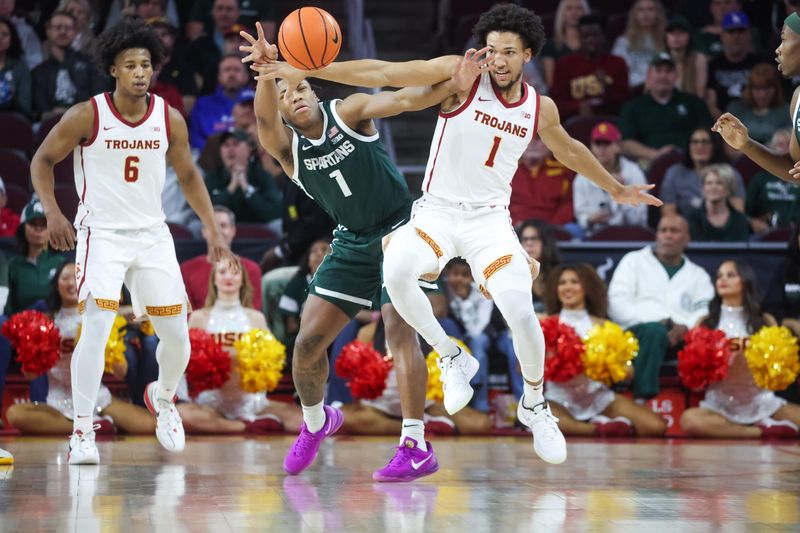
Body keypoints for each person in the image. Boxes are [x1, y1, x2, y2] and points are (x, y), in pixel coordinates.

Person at [258, 3, 662, 467]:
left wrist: (617, 188)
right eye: (491, 50)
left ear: (527, 54)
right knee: (387, 281)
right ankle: (449, 358)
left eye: (508, 52)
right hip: (432, 212)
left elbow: (568, 149)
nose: (497, 60)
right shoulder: (462, 74)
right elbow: (386, 71)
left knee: (519, 311)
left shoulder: (539, 107)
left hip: (488, 220)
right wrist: (305, 66)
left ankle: (532, 404)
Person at [242, 21, 486, 480]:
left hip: (403, 228)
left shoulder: (348, 111)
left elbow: (405, 98)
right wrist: (264, 73)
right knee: (307, 345)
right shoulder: (287, 149)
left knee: (399, 330)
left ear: (316, 93)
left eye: (303, 87)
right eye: (286, 94)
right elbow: (261, 120)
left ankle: (415, 444)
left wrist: (451, 85)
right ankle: (316, 423)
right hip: (351, 240)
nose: (296, 95)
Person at [29, 18, 235, 465]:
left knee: (177, 336)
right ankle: (82, 431)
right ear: (114, 70)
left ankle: (162, 398)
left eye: (146, 63)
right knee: (97, 330)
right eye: (131, 65)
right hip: (100, 235)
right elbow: (42, 160)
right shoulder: (87, 114)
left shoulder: (170, 118)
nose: (141, 72)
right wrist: (54, 211)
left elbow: (189, 175)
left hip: (152, 236)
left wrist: (212, 230)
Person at [6, 262, 157, 435]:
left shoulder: (99, 319)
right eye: (65, 278)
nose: (71, 283)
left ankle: (90, 425)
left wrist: (109, 350)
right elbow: (31, 375)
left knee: (150, 425)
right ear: (56, 284)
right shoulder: (44, 321)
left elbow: (120, 372)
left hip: (97, 399)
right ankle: (96, 426)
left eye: (76, 278)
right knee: (14, 414)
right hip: (58, 402)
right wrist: (33, 357)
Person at [177, 257, 302, 434]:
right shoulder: (199, 317)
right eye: (222, 272)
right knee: (183, 416)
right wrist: (182, 397)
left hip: (251, 401)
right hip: (210, 403)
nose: (229, 277)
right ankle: (247, 426)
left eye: (235, 272)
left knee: (301, 421)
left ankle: (235, 424)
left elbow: (271, 364)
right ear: (214, 279)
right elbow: (184, 363)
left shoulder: (256, 318)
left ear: (242, 279)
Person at [543, 263, 667, 437]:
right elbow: (521, 368)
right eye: (562, 283)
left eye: (574, 282)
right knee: (545, 420)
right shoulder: (544, 324)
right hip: (558, 399)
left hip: (599, 399)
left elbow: (628, 370)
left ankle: (595, 424)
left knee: (656, 427)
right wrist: (551, 363)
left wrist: (609, 369)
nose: (567, 287)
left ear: (586, 287)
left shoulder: (605, 326)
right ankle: (599, 429)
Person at [681, 260, 800, 439]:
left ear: (745, 281)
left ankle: (760, 424)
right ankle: (761, 432)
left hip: (763, 402)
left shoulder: (765, 321)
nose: (723, 280)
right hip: (719, 406)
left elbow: (776, 377)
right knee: (689, 420)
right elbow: (695, 383)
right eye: (719, 276)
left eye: (730, 275)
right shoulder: (705, 322)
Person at [608, 214, 714, 399]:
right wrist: (655, 323)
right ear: (656, 236)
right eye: (663, 230)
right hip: (637, 333)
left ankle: (705, 400)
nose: (668, 235)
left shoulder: (698, 275)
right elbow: (616, 303)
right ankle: (644, 397)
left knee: (709, 337)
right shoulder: (633, 261)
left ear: (687, 239)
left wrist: (686, 328)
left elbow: (704, 311)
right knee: (655, 331)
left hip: (682, 336)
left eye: (674, 231)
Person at [712, 12, 800, 183]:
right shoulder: (797, 98)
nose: (778, 49)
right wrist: (746, 145)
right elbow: (794, 169)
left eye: (784, 39)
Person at [618, 52, 713, 164]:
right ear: (649, 76)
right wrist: (656, 155)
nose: (663, 76)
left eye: (668, 71)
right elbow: (626, 143)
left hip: (690, 160)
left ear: (676, 76)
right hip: (649, 161)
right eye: (658, 71)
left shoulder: (693, 103)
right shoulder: (633, 107)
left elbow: (709, 135)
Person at [180, 205, 262, 311]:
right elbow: (187, 315)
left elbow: (253, 312)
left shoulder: (251, 269)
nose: (218, 231)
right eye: (212, 226)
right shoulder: (187, 269)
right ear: (204, 232)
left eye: (223, 226)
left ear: (233, 231)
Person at [572, 122, 648, 236]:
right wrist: (589, 219)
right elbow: (581, 216)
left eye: (607, 144)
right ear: (592, 147)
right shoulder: (583, 175)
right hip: (594, 234)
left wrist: (623, 193)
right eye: (598, 144)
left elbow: (638, 219)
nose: (602, 149)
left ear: (617, 146)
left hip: (628, 234)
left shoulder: (633, 173)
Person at [550, 13, 629, 119]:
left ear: (603, 36)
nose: (591, 40)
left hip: (609, 119)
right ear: (579, 38)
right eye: (586, 36)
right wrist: (577, 106)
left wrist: (608, 88)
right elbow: (555, 104)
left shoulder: (617, 63)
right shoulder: (564, 64)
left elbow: (626, 104)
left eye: (595, 35)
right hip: (575, 122)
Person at [32, 10, 106, 121]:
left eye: (67, 28)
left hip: (86, 122)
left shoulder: (91, 64)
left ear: (75, 32)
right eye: (58, 28)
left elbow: (101, 99)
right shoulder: (39, 72)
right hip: (51, 127)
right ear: (48, 31)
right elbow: (38, 111)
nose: (62, 31)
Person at [203, 127, 282, 225]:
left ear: (249, 148)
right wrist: (231, 188)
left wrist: (246, 188)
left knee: (277, 224)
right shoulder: (212, 177)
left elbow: (274, 213)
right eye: (226, 145)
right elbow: (204, 213)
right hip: (221, 229)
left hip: (257, 229)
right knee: (197, 226)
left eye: (236, 144)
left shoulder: (263, 176)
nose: (230, 149)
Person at [661, 126, 746, 216]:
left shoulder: (730, 173)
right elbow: (669, 214)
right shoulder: (674, 173)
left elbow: (738, 212)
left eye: (705, 142)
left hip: (723, 227)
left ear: (714, 146)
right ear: (688, 146)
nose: (700, 146)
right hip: (686, 227)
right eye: (695, 142)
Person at [705, 11, 772, 119]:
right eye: (731, 31)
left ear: (749, 34)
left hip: (759, 120)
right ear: (722, 36)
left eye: (741, 31)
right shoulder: (713, 66)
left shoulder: (762, 63)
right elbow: (711, 104)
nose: (736, 36)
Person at [509, 135, 575, 227]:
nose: (533, 143)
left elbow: (569, 204)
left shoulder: (563, 172)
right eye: (528, 138)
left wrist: (550, 227)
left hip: (553, 231)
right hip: (512, 229)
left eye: (538, 139)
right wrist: (514, 224)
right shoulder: (507, 171)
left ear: (549, 144)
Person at [278, 238, 331, 348]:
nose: (318, 254)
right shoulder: (298, 281)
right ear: (308, 260)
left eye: (324, 250)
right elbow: (290, 324)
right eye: (314, 251)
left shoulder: (339, 283)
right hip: (301, 338)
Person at [746, 129, 800, 230]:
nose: (785, 147)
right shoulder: (760, 179)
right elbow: (748, 210)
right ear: (770, 148)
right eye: (780, 144)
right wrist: (754, 222)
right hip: (767, 232)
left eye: (788, 143)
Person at [725, 63, 790, 146]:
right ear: (750, 89)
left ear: (776, 89)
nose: (763, 94)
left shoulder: (785, 111)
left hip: (773, 156)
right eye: (758, 88)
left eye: (767, 88)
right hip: (741, 156)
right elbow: (727, 143)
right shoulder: (735, 109)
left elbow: (789, 143)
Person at [687, 164, 750, 242]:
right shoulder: (691, 217)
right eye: (709, 183)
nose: (713, 187)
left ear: (728, 188)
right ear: (703, 188)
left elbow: (742, 251)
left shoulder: (740, 219)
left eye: (719, 183)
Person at [611, 0, 666, 90]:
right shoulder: (623, 42)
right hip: (634, 90)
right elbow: (619, 71)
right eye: (641, 10)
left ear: (658, 13)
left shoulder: (667, 40)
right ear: (634, 15)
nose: (646, 14)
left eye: (650, 9)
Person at [539, 0, 589, 88]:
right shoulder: (550, 46)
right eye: (569, 9)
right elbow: (551, 82)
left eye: (579, 8)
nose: (574, 12)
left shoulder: (593, 44)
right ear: (562, 14)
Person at [664, 15, 707, 99]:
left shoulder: (698, 59)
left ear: (689, 37)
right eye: (672, 33)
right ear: (666, 37)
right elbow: (648, 92)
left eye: (681, 32)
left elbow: (699, 95)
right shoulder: (660, 59)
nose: (676, 36)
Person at [0, 16, 31, 117]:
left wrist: (10, 96)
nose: (0, 37)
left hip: (13, 121)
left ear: (11, 39)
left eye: (4, 34)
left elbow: (25, 107)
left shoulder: (20, 67)